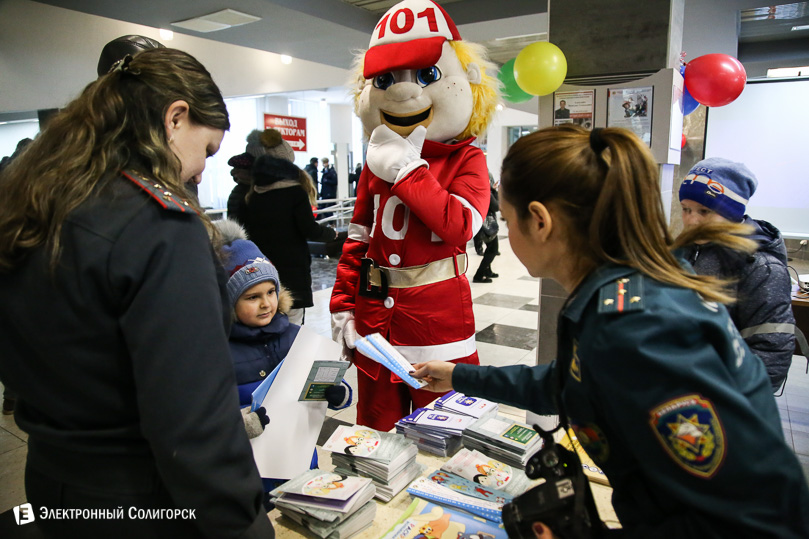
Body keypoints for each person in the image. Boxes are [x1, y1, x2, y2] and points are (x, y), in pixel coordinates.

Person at [412, 125, 809, 537]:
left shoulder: (635, 328)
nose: (507, 234)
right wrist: (459, 376)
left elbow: (731, 513)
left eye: (507, 220)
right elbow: (575, 381)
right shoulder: (632, 283)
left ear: (540, 221)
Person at [0, 48, 274, 537]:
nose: (201, 171)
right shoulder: (158, 226)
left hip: (50, 481)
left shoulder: (39, 201)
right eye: (207, 150)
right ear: (175, 118)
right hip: (142, 501)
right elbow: (192, 425)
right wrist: (245, 526)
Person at [330, 0, 499, 431]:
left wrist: (407, 172)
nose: (404, 92)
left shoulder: (467, 160)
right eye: (385, 80)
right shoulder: (373, 162)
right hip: (374, 321)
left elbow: (460, 226)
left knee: (443, 435)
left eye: (426, 76)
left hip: (437, 325)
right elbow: (358, 240)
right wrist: (343, 308)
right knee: (375, 431)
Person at [217, 220, 351, 500]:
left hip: (301, 460)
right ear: (227, 304)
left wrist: (339, 395)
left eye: (270, 292)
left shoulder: (296, 336)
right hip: (251, 472)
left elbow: (321, 384)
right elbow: (207, 414)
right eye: (252, 297)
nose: (266, 303)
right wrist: (238, 422)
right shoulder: (217, 352)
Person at [677, 157, 796, 391]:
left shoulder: (761, 268)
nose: (692, 220)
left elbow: (772, 348)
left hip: (724, 395)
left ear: (732, 214)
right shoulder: (680, 253)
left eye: (704, 211)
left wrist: (739, 399)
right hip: (679, 387)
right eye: (686, 209)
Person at [238, 128, 336, 325]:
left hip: (264, 268)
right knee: (293, 324)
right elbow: (308, 229)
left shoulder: (252, 195)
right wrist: (332, 233)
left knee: (269, 321)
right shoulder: (295, 193)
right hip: (293, 269)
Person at [472, 176, 500, 283]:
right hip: (487, 224)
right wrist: (494, 190)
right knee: (493, 250)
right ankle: (479, 275)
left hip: (481, 222)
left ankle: (488, 271)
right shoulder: (486, 191)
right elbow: (496, 206)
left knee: (490, 248)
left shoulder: (477, 189)